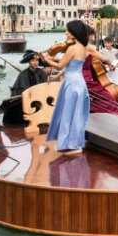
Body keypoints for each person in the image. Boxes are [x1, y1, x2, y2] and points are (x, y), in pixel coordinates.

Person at [45, 20, 102, 155]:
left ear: (74, 33)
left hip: (71, 84)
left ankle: (69, 145)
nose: (66, 33)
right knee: (76, 115)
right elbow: (72, 66)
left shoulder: (72, 48)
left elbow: (60, 65)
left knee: (68, 113)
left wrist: (46, 59)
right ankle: (73, 143)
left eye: (68, 31)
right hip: (79, 83)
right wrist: (55, 75)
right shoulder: (83, 47)